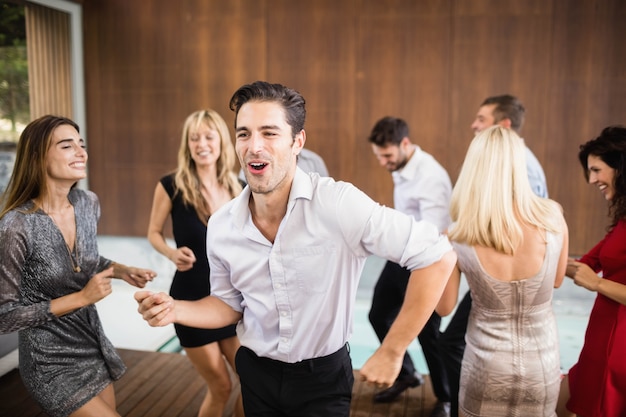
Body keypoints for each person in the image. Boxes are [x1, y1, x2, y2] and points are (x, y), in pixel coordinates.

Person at [135, 80, 457, 417]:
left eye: (269, 133)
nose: (254, 146)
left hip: (324, 381)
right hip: (256, 374)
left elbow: (436, 255)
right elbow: (229, 306)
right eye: (243, 134)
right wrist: (175, 310)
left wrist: (393, 350)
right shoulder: (222, 225)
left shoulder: (338, 204)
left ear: (297, 142)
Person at [0, 115, 156, 417]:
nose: (81, 152)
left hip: (91, 345)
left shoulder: (87, 203)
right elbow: (4, 318)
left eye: (81, 145)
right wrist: (82, 298)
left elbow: (81, 259)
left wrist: (122, 270)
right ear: (37, 156)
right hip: (48, 360)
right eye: (67, 145)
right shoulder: (16, 225)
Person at [437, 125, 568, 416]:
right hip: (541, 365)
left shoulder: (458, 235)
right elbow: (557, 279)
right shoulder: (553, 216)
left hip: (486, 366)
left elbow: (444, 309)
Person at [147, 109, 244, 417]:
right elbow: (153, 233)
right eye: (194, 138)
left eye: (208, 136)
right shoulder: (171, 185)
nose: (202, 144)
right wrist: (171, 253)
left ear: (221, 142)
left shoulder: (238, 188)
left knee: (253, 383)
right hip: (190, 299)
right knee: (221, 387)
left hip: (229, 301)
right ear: (187, 144)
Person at [367, 116, 453, 417]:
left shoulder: (431, 177)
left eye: (388, 156)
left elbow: (437, 233)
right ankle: (407, 374)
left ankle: (445, 397)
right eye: (379, 157)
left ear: (405, 144)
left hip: (424, 262)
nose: (383, 163)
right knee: (377, 314)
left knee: (428, 333)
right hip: (400, 256)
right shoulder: (401, 164)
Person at [557, 126, 626, 417]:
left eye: (597, 170)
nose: (592, 179)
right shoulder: (622, 221)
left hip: (618, 345)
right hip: (601, 339)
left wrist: (596, 285)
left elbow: (590, 276)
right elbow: (580, 265)